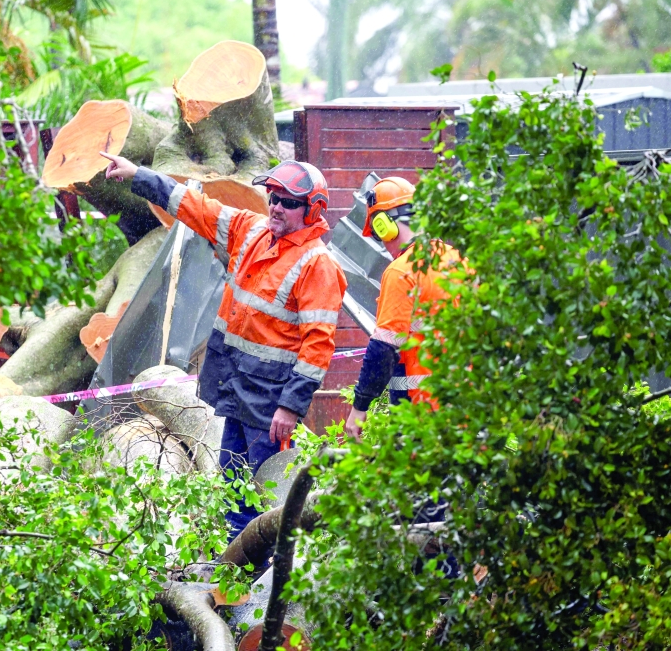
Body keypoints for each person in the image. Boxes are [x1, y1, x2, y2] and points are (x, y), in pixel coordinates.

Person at [100, 151, 347, 541]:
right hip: (233, 389)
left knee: (270, 495)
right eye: (274, 197)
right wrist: (138, 175)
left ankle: (272, 578)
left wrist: (290, 406)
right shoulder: (250, 230)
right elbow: (194, 205)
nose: (277, 207)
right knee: (233, 486)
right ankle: (235, 572)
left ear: (312, 210)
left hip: (270, 405)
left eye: (289, 202)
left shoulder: (318, 266)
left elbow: (318, 347)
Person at [344, 176, 462, 438]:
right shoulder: (458, 261)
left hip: (421, 416)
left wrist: (359, 407)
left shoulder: (401, 271)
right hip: (467, 412)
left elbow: (383, 349)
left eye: (377, 232)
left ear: (384, 225)